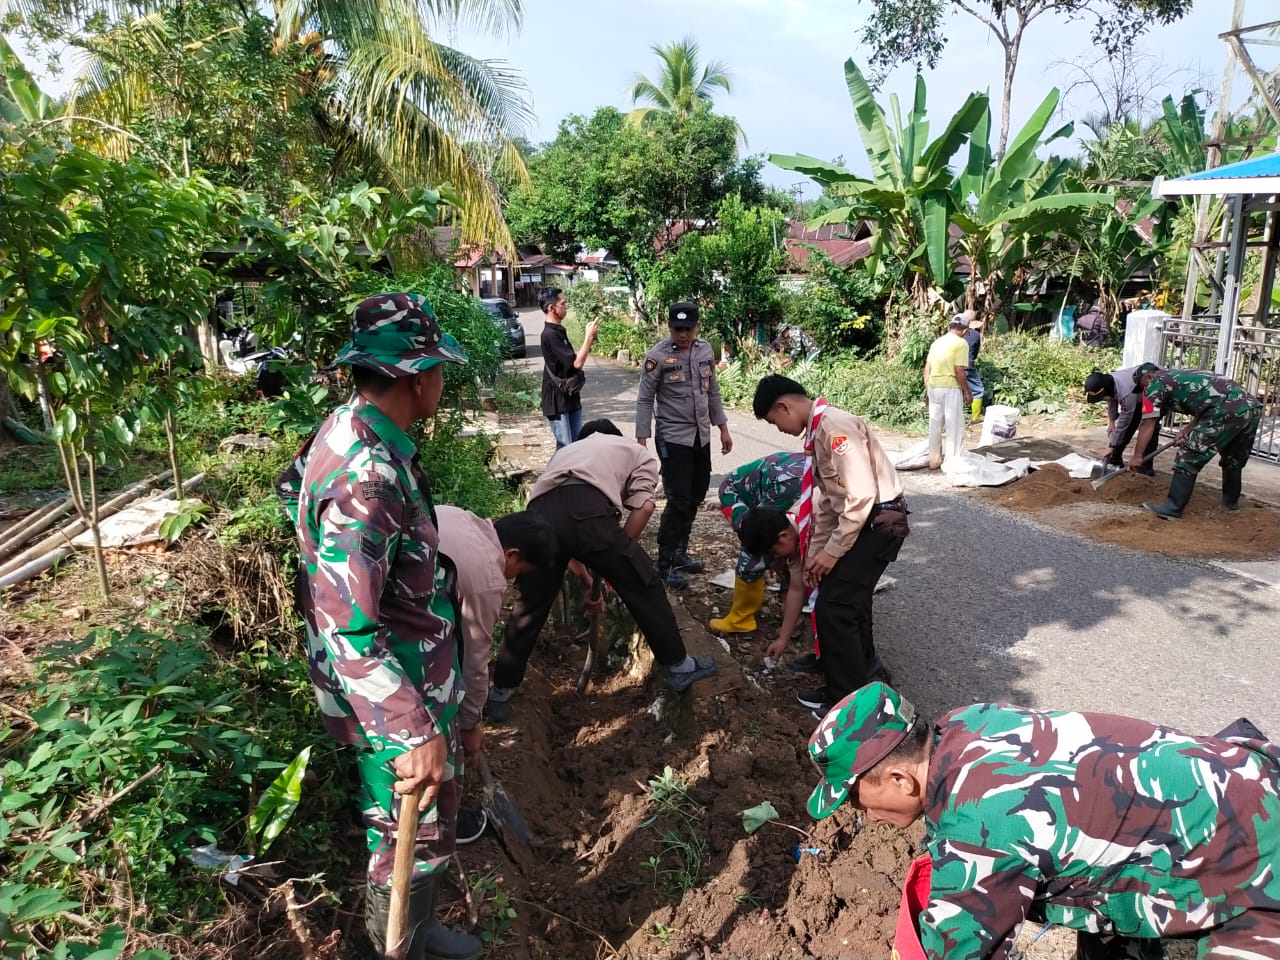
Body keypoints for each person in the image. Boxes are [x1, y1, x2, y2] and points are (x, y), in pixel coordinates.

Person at [276, 292, 481, 960]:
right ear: (418, 377)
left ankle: (417, 935)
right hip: (392, 691)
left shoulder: (351, 429)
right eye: (440, 370)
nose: (442, 382)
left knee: (417, 826)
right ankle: (391, 946)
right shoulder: (366, 476)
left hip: (409, 674)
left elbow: (292, 496)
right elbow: (349, 628)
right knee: (402, 831)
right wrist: (412, 727)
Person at [807, 681, 1280, 960]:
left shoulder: (981, 828)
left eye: (856, 800)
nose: (864, 817)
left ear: (899, 778)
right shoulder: (963, 725)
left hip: (1255, 858)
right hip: (1236, 787)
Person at [485, 419, 717, 722]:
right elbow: (643, 509)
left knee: (529, 607)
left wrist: (589, 576)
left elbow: (562, 535)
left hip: (540, 515)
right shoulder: (635, 452)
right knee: (643, 582)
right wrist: (619, 562)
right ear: (615, 437)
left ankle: (500, 692)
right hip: (588, 512)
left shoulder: (568, 451)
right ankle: (679, 666)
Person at [753, 375, 909, 717]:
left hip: (877, 523)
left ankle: (848, 704)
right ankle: (866, 681)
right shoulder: (819, 431)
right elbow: (826, 504)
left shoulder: (834, 428)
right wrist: (815, 555)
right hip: (863, 523)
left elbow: (862, 494)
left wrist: (832, 551)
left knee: (834, 610)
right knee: (848, 604)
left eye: (774, 422)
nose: (778, 429)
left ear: (784, 406)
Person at [435, 507, 557, 844]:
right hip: (399, 635)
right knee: (440, 721)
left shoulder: (461, 517)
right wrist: (471, 725)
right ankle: (444, 822)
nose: (510, 580)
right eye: (517, 572)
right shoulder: (487, 573)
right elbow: (475, 660)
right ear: (512, 553)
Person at [636, 302, 733, 588]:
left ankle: (680, 552)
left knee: (696, 493)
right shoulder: (656, 357)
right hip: (672, 436)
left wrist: (723, 428)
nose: (683, 334)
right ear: (669, 328)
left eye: (688, 329)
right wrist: (641, 440)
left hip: (700, 436)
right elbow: (645, 399)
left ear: (697, 327)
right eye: (677, 329)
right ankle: (663, 564)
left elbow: (712, 391)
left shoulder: (705, 351)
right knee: (677, 500)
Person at [1131, 364, 1263, 519]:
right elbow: (1208, 404)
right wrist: (1187, 430)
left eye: (1142, 386)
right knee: (1233, 458)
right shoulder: (1182, 375)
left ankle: (1172, 508)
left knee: (1188, 456)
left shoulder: (1156, 382)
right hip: (1250, 407)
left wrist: (1137, 455)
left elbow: (1148, 422)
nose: (1144, 391)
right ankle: (1230, 503)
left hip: (1224, 410)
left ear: (1148, 377)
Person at [709, 452, 805, 635]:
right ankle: (741, 620)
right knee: (755, 555)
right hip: (738, 497)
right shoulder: (786, 487)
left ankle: (789, 606)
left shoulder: (805, 484)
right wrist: (772, 558)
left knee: (789, 547)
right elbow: (772, 542)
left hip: (782, 488)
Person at [737, 507, 820, 679]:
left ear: (783, 537)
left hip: (863, 538)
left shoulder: (816, 525)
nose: (777, 559)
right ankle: (826, 656)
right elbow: (796, 589)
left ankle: (858, 670)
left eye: (774, 553)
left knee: (836, 606)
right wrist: (783, 639)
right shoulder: (794, 536)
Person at [540, 286, 599, 449]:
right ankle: (555, 475)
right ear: (552, 308)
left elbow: (571, 362)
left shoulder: (559, 330)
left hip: (570, 394)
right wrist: (588, 337)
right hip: (557, 399)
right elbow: (577, 363)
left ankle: (572, 475)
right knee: (565, 447)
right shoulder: (549, 335)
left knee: (577, 445)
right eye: (563, 304)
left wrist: (590, 339)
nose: (566, 307)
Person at [1082, 364, 1160, 474]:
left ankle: (1145, 466)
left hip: (1156, 390)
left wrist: (1112, 445)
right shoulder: (1109, 381)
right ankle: (1115, 460)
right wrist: (1112, 421)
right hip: (1138, 394)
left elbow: (1124, 422)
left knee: (1150, 425)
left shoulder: (1126, 392)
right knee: (1124, 429)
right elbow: (1111, 399)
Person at [922, 316, 972, 469]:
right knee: (954, 425)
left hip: (933, 386)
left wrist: (928, 387)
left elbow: (927, 368)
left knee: (935, 424)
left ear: (951, 326)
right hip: (950, 387)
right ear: (964, 330)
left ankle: (934, 460)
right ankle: (952, 462)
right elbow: (959, 370)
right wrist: (967, 392)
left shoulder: (937, 342)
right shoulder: (961, 343)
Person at [962, 312, 984, 420]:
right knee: (978, 390)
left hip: (952, 364)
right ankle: (976, 416)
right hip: (967, 366)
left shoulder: (957, 334)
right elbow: (975, 353)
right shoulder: (975, 335)